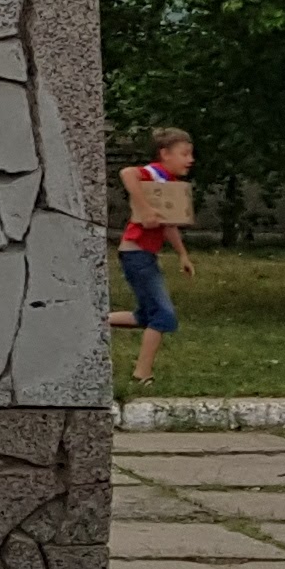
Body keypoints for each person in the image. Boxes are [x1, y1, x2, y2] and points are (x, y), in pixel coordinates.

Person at [114, 125, 196, 389]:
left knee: (144, 316)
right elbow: (127, 173)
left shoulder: (169, 184)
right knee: (163, 315)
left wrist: (182, 255)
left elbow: (169, 225)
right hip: (136, 254)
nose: (190, 160)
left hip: (143, 255)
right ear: (165, 154)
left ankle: (89, 323)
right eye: (184, 154)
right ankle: (142, 375)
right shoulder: (154, 174)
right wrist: (145, 208)